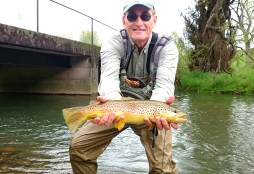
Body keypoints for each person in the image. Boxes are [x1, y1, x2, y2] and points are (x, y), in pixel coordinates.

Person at [69, 0, 180, 173]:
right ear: (124, 20)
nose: (138, 22)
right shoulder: (112, 43)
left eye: (145, 16)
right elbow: (108, 80)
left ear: (154, 19)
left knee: (163, 169)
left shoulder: (166, 47)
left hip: (150, 113)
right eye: (132, 16)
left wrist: (157, 113)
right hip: (117, 107)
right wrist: (111, 107)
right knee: (78, 148)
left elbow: (164, 86)